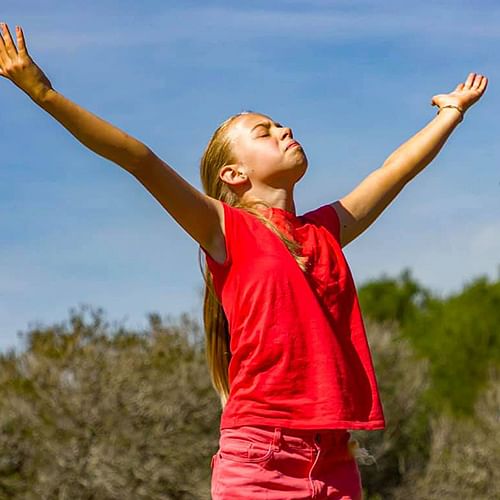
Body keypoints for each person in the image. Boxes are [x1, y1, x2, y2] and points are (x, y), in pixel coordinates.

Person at [0, 22, 488, 500]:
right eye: (265, 131)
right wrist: (44, 94)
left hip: (337, 464)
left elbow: (394, 171)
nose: (285, 129)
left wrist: (450, 113)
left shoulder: (325, 231)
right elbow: (139, 159)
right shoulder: (225, 229)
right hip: (260, 463)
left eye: (279, 124)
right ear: (234, 174)